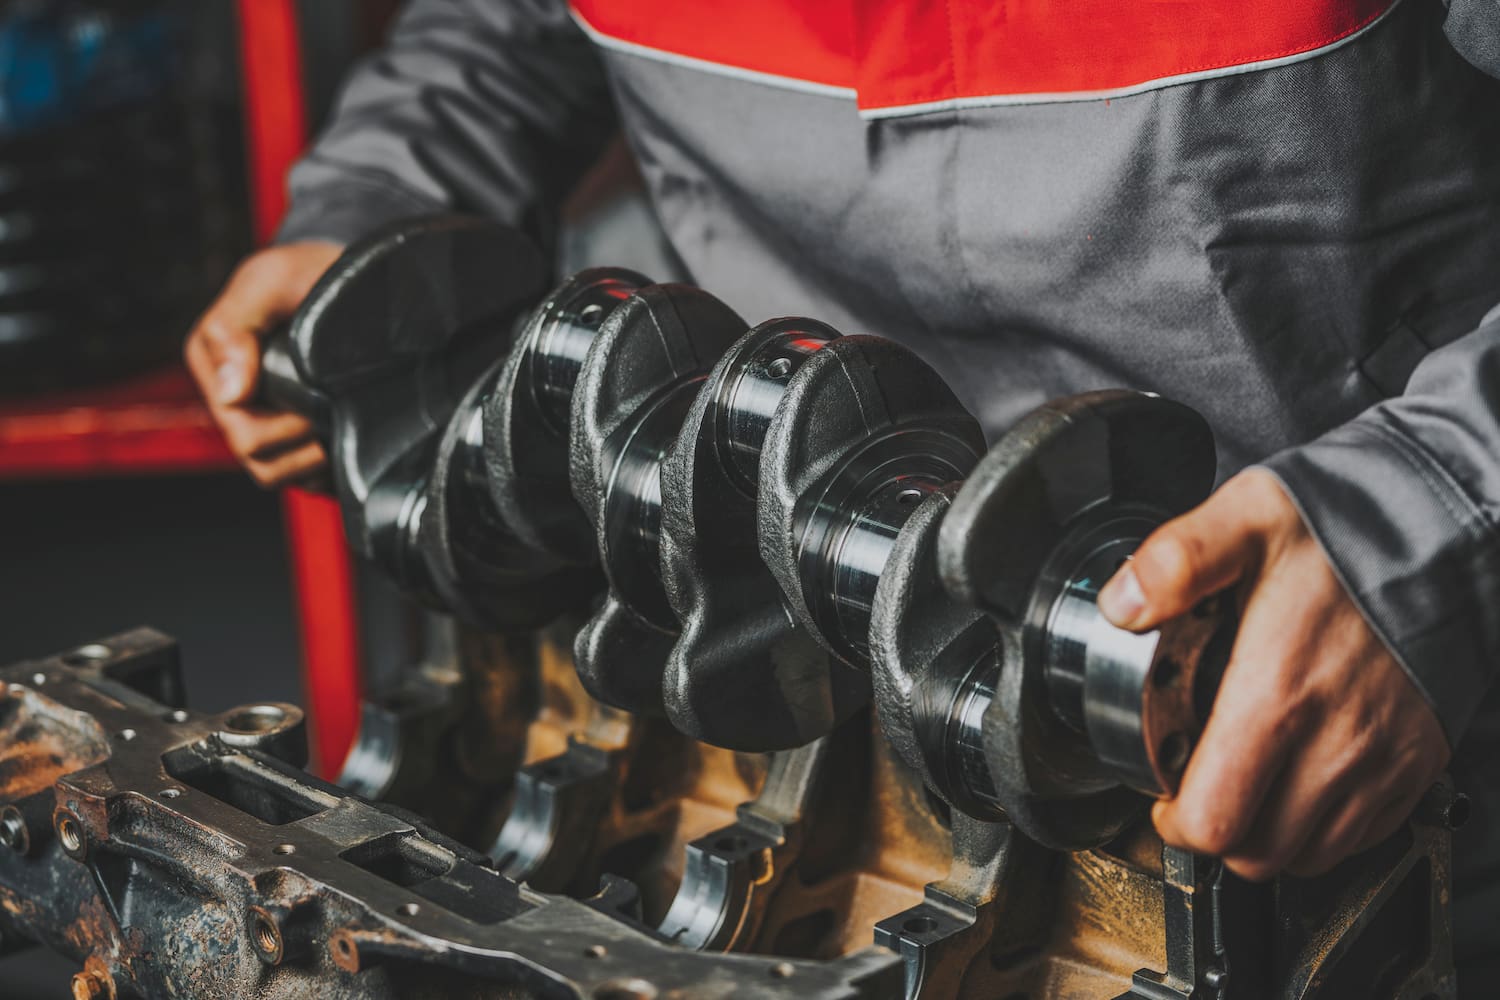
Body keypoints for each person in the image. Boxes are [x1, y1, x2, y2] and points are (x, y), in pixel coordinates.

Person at [184, 0, 1500, 987]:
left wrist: (1440, 509)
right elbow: (508, 24)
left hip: (1342, 698)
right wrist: (378, 208)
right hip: (770, 634)